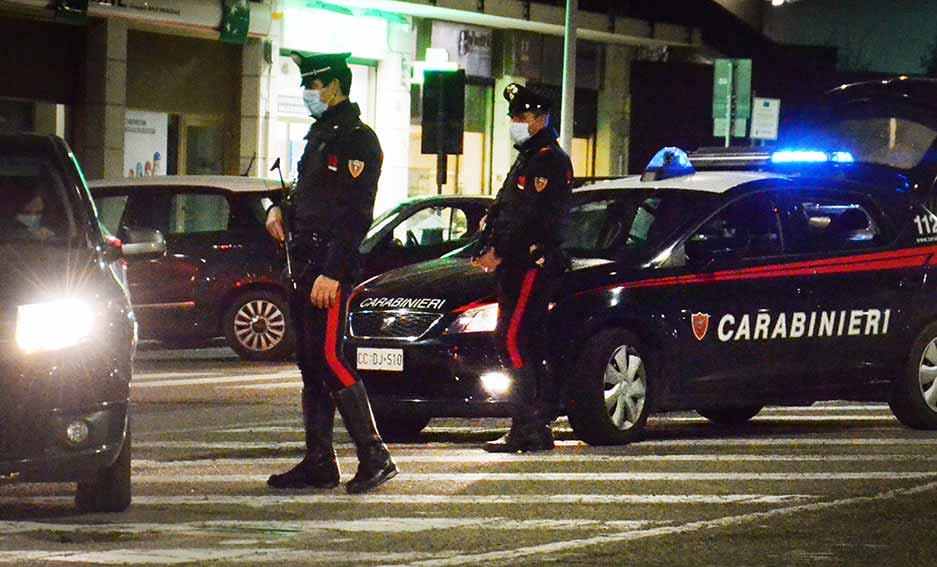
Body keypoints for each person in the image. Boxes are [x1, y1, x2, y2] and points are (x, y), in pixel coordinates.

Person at [264, 51, 397, 494]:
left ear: (336, 87)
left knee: (330, 357)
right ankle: (319, 460)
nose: (308, 93)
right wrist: (279, 209)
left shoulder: (357, 140)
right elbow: (310, 198)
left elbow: (355, 214)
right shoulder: (320, 136)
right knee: (309, 364)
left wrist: (334, 272)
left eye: (314, 85)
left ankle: (375, 454)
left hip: (328, 268)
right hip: (304, 263)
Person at [473, 83, 573, 453]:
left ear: (540, 119)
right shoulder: (529, 156)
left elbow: (533, 219)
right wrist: (487, 237)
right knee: (522, 342)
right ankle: (532, 424)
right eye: (513, 116)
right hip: (516, 264)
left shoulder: (548, 160)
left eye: (522, 117)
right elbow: (506, 208)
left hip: (530, 264)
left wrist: (499, 250)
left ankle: (528, 424)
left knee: (513, 340)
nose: (515, 123)